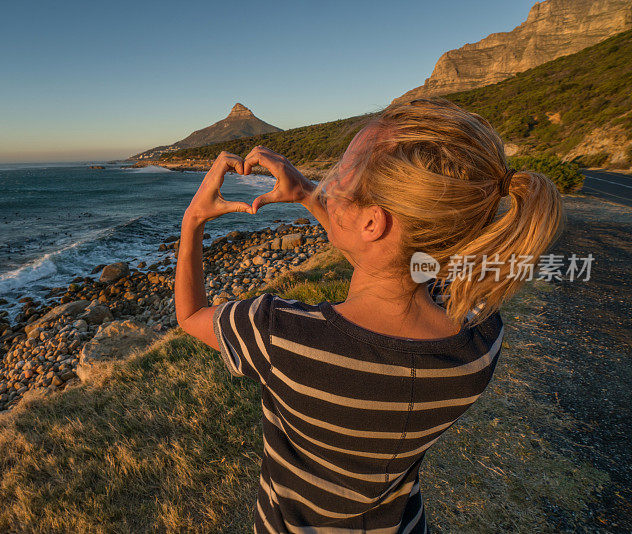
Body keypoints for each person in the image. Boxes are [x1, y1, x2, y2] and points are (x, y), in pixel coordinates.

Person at [174, 98, 564, 533]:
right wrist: (305, 191)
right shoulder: (480, 339)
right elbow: (395, 258)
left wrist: (192, 219)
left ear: (374, 223)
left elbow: (190, 314)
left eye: (340, 171)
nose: (329, 182)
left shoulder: (276, 334)